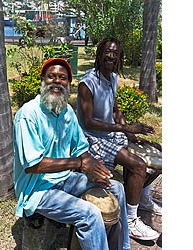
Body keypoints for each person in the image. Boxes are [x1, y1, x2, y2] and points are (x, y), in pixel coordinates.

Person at [13, 57, 131, 250]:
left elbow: (81, 149)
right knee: (90, 214)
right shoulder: (28, 115)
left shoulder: (67, 111)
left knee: (116, 188)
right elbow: (34, 165)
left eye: (63, 78)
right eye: (51, 77)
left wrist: (94, 168)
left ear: (69, 83)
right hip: (37, 190)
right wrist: (80, 164)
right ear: (43, 80)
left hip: (64, 180)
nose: (57, 81)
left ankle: (123, 247)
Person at [76, 37, 162, 241]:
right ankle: (131, 220)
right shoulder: (87, 84)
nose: (111, 56)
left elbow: (115, 111)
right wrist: (124, 128)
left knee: (157, 151)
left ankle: (141, 197)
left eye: (115, 53)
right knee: (139, 165)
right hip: (93, 139)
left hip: (112, 134)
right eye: (107, 51)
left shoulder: (112, 78)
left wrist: (131, 134)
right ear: (99, 53)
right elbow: (88, 122)